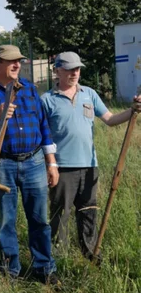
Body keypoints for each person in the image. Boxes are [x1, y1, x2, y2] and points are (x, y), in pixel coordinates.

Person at [0, 45, 60, 284]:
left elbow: (43, 126)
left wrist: (51, 163)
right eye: (10, 61)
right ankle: (11, 271)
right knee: (6, 221)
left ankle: (44, 268)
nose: (16, 65)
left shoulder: (29, 89)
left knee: (39, 219)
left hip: (35, 162)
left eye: (18, 60)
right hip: (2, 164)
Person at [41, 51, 141, 260]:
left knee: (88, 211)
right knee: (61, 214)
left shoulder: (89, 94)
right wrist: (50, 165)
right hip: (62, 168)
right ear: (57, 71)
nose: (74, 73)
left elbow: (111, 119)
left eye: (77, 69)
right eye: (69, 69)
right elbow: (42, 136)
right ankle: (59, 257)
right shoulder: (47, 100)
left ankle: (91, 253)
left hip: (89, 165)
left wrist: (132, 111)